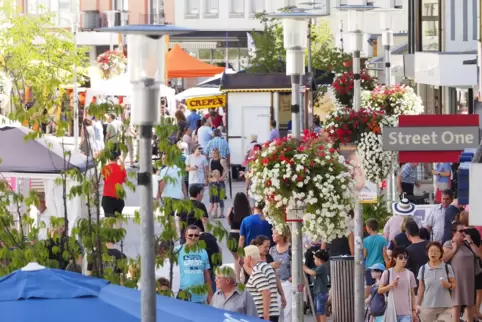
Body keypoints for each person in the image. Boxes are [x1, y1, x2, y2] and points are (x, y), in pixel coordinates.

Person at [443, 221, 479, 322]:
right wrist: (454, 249)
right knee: (456, 304)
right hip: (456, 279)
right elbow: (442, 259)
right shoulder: (449, 244)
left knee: (470, 304)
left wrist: (470, 241)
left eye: (465, 230)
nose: (464, 233)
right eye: (461, 230)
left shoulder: (468, 243)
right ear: (454, 232)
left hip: (470, 278)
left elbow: (478, 255)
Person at [416, 242, 455, 322]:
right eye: (431, 251)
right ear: (427, 253)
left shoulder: (447, 267)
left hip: (446, 307)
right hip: (428, 307)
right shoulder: (423, 269)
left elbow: (454, 285)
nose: (433, 253)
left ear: (441, 253)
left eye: (436, 251)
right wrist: (418, 305)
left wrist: (449, 285)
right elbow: (421, 289)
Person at [378, 247, 418, 322]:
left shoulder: (410, 274)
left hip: (406, 313)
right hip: (391, 311)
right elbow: (380, 290)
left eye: (405, 257)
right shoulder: (387, 273)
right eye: (400, 257)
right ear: (394, 258)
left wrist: (414, 310)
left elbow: (412, 294)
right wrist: (391, 285)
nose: (403, 260)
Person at [176, 225, 213, 304]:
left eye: (196, 235)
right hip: (183, 295)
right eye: (190, 235)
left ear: (199, 237)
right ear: (185, 236)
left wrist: (210, 295)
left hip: (200, 296)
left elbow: (207, 275)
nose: (193, 237)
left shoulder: (203, 252)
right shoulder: (177, 250)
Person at [244, 245, 280, 322]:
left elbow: (266, 292)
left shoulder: (256, 270)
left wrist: (265, 316)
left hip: (262, 315)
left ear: (249, 258)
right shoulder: (265, 266)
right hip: (272, 312)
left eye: (244, 257)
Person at [459, 211, 482, 319]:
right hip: (476, 264)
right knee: (477, 289)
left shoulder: (460, 233)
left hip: (462, 264)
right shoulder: (475, 232)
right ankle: (476, 312)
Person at [227, 192, 252, 282]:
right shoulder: (248, 211)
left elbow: (229, 222)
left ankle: (237, 278)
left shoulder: (231, 210)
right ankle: (245, 276)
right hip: (243, 236)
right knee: (244, 258)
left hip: (232, 235)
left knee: (236, 258)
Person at [270, 228, 292, 322]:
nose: (272, 235)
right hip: (275, 282)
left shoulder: (290, 248)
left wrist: (292, 277)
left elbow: (296, 263)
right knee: (275, 309)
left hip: (287, 281)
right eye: (272, 233)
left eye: (275, 233)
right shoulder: (272, 249)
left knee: (288, 309)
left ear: (282, 235)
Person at [302, 249, 330, 322]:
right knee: (317, 311)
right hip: (317, 293)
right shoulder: (318, 268)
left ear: (319, 260)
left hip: (321, 293)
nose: (314, 261)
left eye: (315, 259)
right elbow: (311, 270)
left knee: (321, 312)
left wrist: (303, 267)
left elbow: (312, 273)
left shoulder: (322, 267)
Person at [363, 218, 388, 297]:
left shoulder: (365, 240)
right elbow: (384, 254)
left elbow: (365, 254)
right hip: (380, 267)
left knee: (369, 285)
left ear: (369, 229)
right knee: (380, 285)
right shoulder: (383, 239)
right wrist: (388, 264)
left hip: (369, 266)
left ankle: (367, 303)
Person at [405, 221, 429, 295]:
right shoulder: (430, 244)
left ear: (408, 234)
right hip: (432, 280)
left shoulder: (408, 250)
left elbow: (407, 268)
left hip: (417, 283)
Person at [101, 152, 127, 221]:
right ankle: (119, 231)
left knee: (109, 222)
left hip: (107, 197)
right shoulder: (121, 168)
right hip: (118, 198)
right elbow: (126, 180)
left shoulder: (105, 168)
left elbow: (101, 179)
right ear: (117, 158)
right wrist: (122, 164)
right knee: (118, 220)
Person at [208, 148, 228, 218]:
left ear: (217, 153)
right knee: (214, 197)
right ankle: (215, 213)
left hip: (220, 181)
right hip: (213, 180)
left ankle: (222, 213)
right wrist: (210, 178)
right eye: (212, 153)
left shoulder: (221, 160)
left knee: (221, 197)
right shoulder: (211, 161)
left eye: (214, 153)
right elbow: (210, 171)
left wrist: (221, 177)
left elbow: (226, 170)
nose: (212, 155)